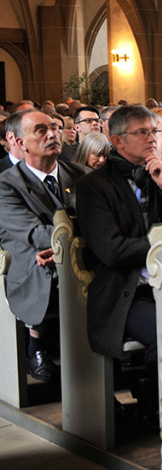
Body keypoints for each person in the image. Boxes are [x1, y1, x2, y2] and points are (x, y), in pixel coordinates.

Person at [75, 105, 162, 369]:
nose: (152, 138)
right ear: (117, 141)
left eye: (154, 131)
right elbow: (112, 250)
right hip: (127, 291)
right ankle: (155, 405)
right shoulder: (93, 186)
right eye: (142, 132)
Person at [0, 110, 89, 382]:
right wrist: (68, 245)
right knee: (40, 258)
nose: (52, 134)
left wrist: (71, 247)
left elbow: (103, 222)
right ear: (19, 142)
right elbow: (33, 232)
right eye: (41, 130)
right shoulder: (6, 184)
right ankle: (36, 346)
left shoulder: (82, 175)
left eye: (54, 127)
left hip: (79, 252)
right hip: (31, 254)